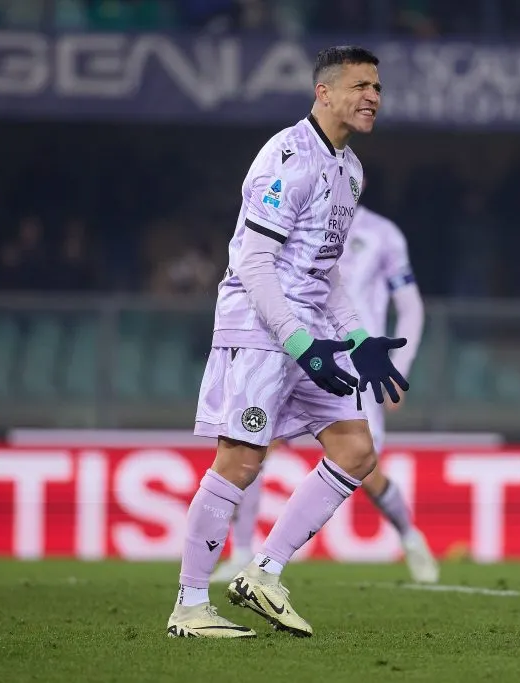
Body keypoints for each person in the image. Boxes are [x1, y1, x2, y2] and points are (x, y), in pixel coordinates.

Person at [167, 46, 407, 639]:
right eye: (360, 85)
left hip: (306, 331)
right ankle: (190, 607)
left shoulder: (350, 171)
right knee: (241, 460)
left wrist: (359, 337)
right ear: (323, 93)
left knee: (356, 450)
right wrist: (302, 343)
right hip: (258, 327)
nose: (373, 96)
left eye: (377, 86)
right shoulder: (286, 156)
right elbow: (254, 262)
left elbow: (324, 274)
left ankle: (264, 574)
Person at [208, 200, 437, 586]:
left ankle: (410, 536)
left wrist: (399, 366)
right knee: (255, 443)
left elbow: (411, 307)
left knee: (366, 468)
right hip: (299, 351)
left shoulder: (382, 235)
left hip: (355, 363)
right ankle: (244, 553)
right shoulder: (303, 223)